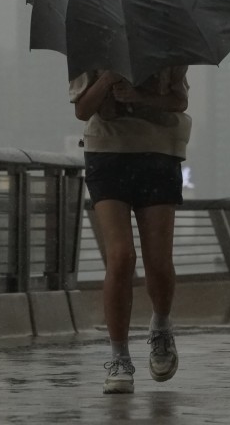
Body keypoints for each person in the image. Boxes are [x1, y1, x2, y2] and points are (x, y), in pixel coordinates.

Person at [70, 66, 191, 394]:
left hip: (159, 154)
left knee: (159, 263)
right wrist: (108, 77)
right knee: (121, 256)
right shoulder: (89, 46)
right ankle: (119, 357)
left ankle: (161, 325)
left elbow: (179, 100)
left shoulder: (166, 45)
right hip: (106, 154)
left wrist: (140, 95)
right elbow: (82, 109)